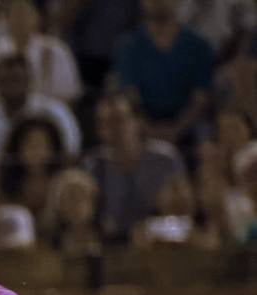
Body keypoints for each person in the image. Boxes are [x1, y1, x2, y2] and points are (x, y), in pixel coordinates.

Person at [83, 92, 187, 243]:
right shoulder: (94, 165)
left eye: (118, 120)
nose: (112, 129)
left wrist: (156, 230)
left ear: (137, 121)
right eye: (104, 123)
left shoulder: (165, 160)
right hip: (113, 248)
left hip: (165, 242)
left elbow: (185, 214)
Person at [114, 0, 217, 145]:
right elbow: (131, 98)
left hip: (189, 133)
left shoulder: (199, 47)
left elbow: (200, 99)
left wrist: (176, 130)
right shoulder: (128, 46)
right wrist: (150, 130)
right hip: (143, 132)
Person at [0, 53, 81, 169]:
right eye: (4, 80)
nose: (10, 86)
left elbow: (71, 156)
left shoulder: (56, 112)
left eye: (15, 79)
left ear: (29, 79)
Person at [0, 0, 83, 111]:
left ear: (38, 16)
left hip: (44, 122)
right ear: (5, 18)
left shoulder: (57, 51)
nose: (20, 19)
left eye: (25, 12)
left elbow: (69, 99)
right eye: (14, 12)